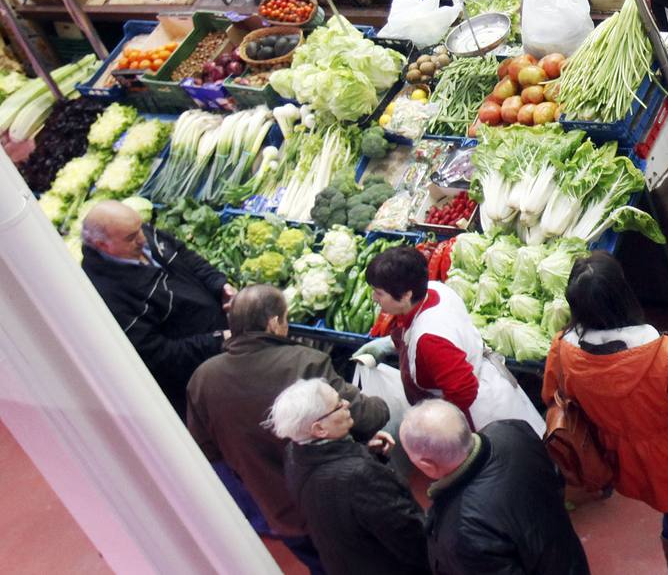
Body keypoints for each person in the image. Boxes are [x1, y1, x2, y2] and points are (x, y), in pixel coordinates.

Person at [542, 253, 668, 575]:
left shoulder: (562, 348)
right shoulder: (663, 354)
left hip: (629, 463)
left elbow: (553, 397)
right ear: (622, 294)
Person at [187, 285, 391, 575]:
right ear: (274, 323)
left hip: (277, 511)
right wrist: (379, 405)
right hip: (334, 505)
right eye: (285, 318)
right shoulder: (304, 362)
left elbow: (208, 451)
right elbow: (365, 416)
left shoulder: (202, 378)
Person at [366, 246, 544, 434]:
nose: (374, 298)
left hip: (478, 415)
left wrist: (437, 424)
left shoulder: (430, 341)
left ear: (406, 295)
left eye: (379, 293)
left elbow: (463, 391)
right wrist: (393, 342)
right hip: (489, 384)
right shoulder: (435, 289)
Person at [401, 399, 589, 575]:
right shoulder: (511, 430)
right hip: (567, 556)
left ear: (427, 465)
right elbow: (555, 477)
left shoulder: (461, 532)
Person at [80, 199, 231, 414]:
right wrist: (217, 341)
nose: (142, 238)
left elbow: (183, 254)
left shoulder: (138, 233)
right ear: (102, 245)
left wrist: (219, 285)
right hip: (202, 373)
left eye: (140, 228)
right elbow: (160, 355)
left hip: (223, 336)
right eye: (131, 238)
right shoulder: (107, 295)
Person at [271, 379, 430, 575]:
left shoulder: (295, 453)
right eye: (338, 405)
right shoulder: (361, 477)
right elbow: (411, 539)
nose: (347, 405)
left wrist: (362, 450)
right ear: (319, 429)